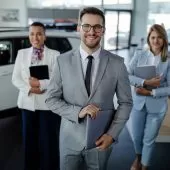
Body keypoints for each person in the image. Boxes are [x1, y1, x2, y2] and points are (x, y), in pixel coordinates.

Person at [45, 7, 132, 170]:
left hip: (101, 140)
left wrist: (112, 135)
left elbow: (126, 103)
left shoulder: (117, 63)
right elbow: (51, 99)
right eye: (86, 26)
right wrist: (77, 112)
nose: (91, 31)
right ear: (79, 28)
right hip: (69, 139)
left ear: (103, 30)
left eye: (97, 27)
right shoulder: (62, 61)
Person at [12, 22, 61, 170]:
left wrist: (41, 85)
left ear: (44, 36)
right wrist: (30, 88)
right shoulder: (22, 54)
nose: (35, 37)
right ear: (29, 36)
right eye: (32, 34)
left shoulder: (55, 54)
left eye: (39, 33)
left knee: (48, 143)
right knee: (29, 143)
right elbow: (16, 78)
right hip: (27, 105)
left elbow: (57, 80)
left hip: (48, 106)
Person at [128, 24, 170, 170]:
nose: (156, 41)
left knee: (149, 139)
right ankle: (138, 159)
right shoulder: (139, 55)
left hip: (157, 106)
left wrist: (151, 92)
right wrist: (144, 82)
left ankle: (144, 166)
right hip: (138, 103)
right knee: (137, 136)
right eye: (153, 37)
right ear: (148, 39)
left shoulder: (169, 60)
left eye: (159, 37)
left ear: (164, 39)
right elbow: (126, 75)